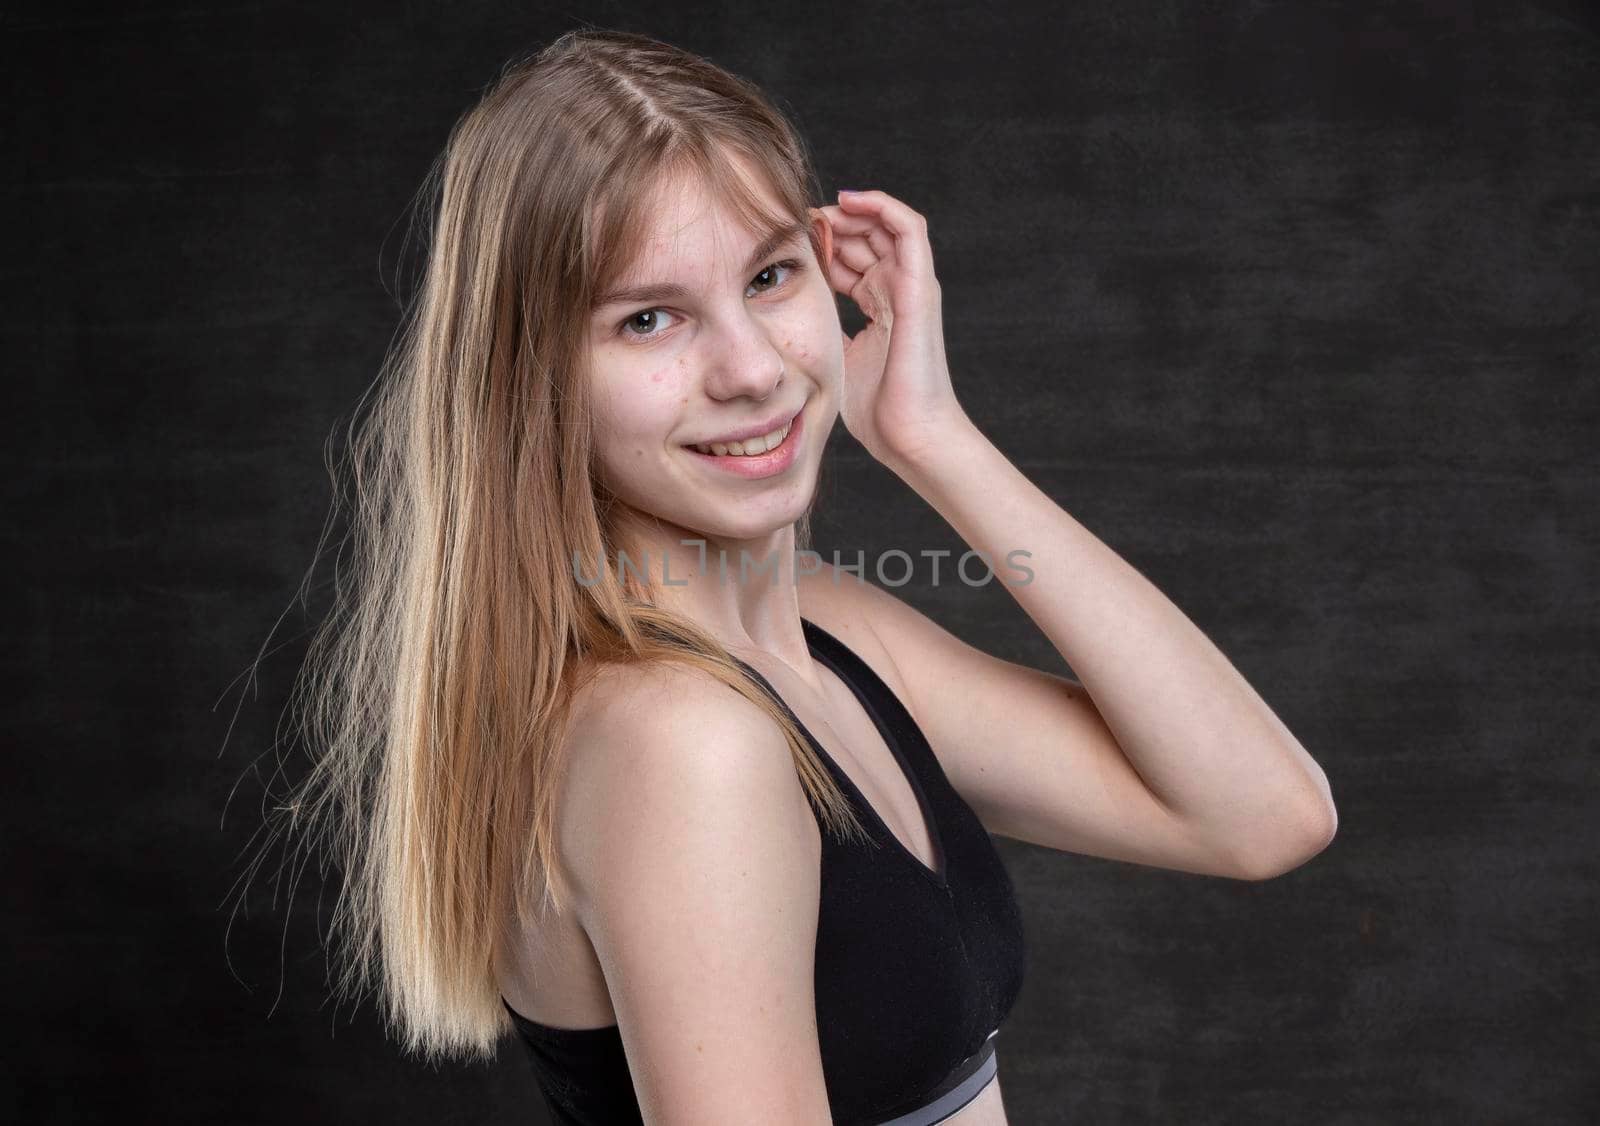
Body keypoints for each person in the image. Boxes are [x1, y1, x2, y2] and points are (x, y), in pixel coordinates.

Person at [248, 27, 1338, 1126]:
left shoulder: (828, 630)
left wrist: (930, 436)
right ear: (532, 380)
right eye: (648, 318)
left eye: (770, 275)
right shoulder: (682, 741)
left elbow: (1258, 814)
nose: (754, 369)